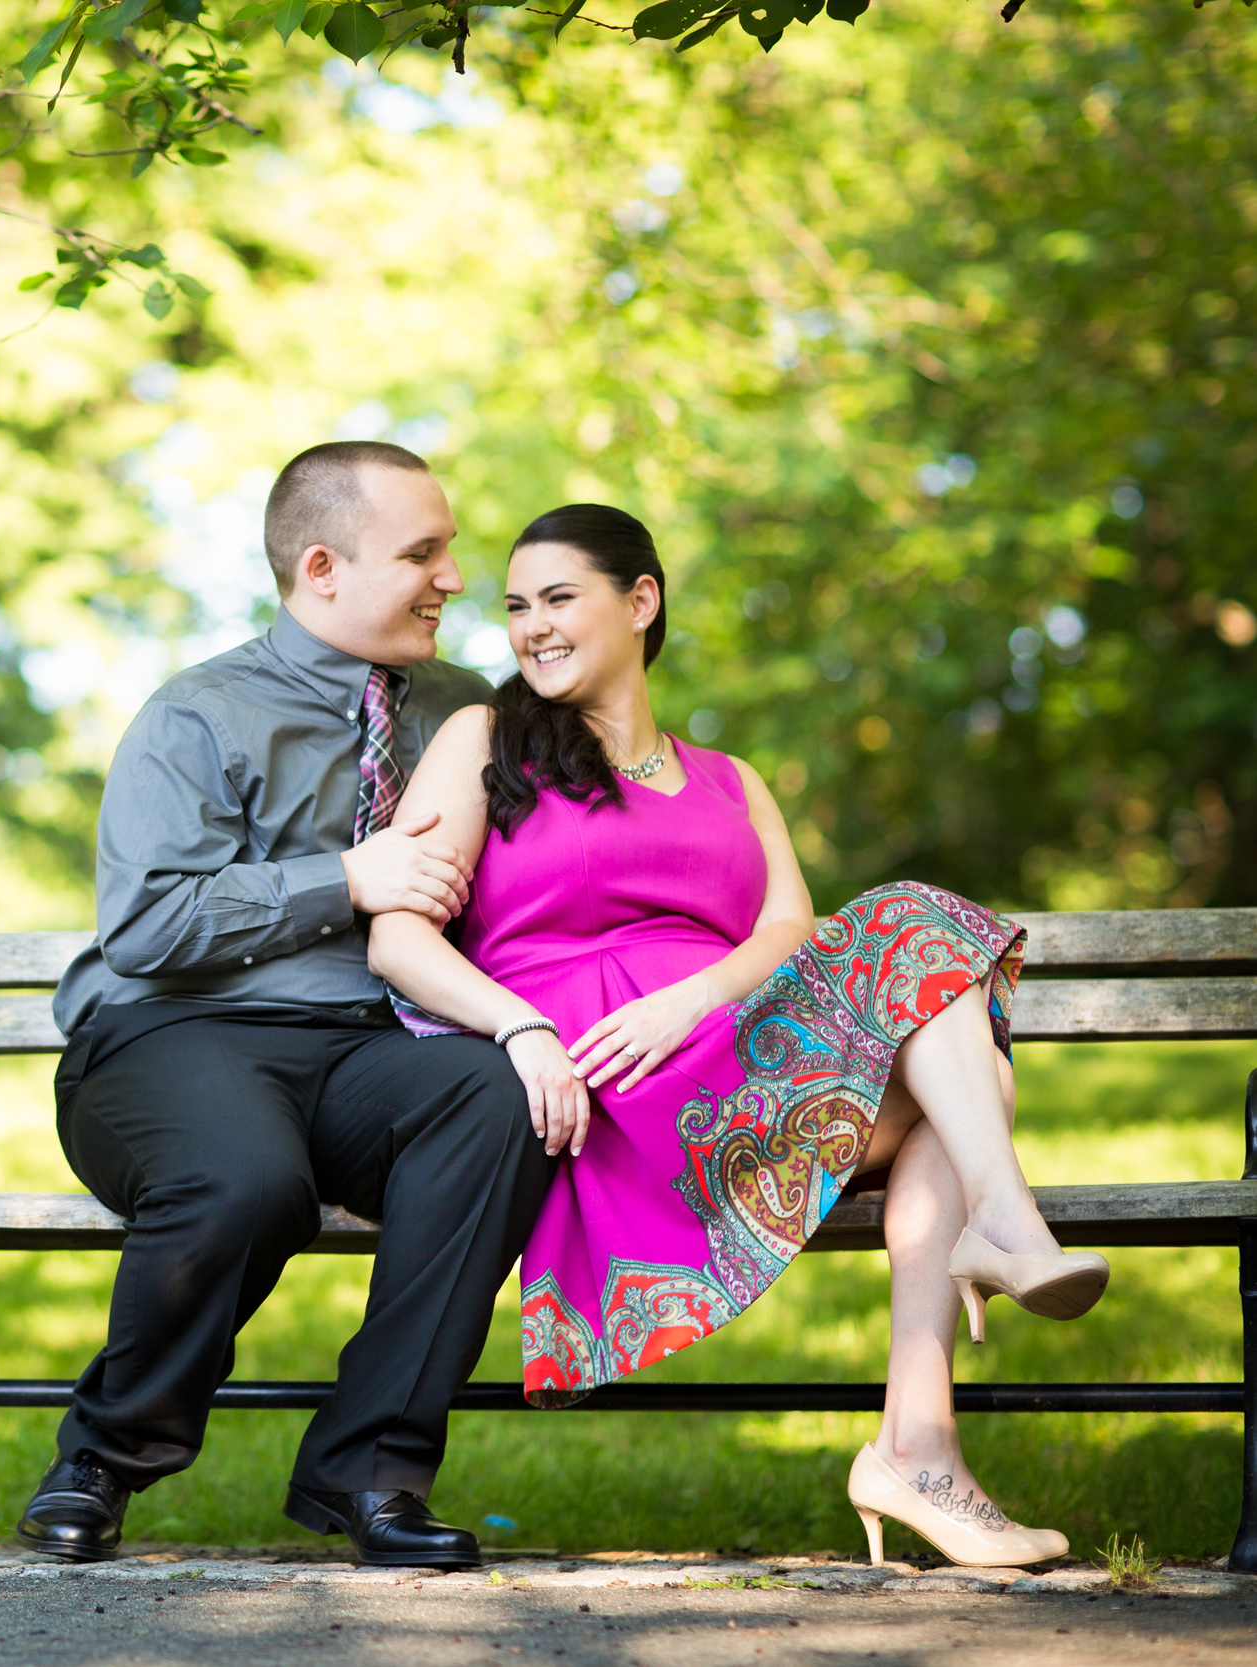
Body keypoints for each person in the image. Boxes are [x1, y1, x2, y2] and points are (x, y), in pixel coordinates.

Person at [366, 503, 1110, 1569]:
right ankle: (1000, 1240)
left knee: (961, 1079)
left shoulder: (729, 777)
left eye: (558, 597)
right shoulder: (486, 741)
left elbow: (788, 931)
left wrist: (694, 998)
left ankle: (921, 1445)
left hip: (733, 1065)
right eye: (516, 605)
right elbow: (397, 936)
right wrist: (521, 1025)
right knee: (930, 968)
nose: (531, 626)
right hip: (602, 1082)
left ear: (640, 600)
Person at [19, 440, 556, 1570]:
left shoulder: (470, 711)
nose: (453, 577)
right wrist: (347, 877)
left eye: (449, 548)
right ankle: (105, 1454)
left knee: (493, 1100)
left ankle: (373, 1470)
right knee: (244, 1179)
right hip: (170, 1038)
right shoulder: (198, 712)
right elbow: (149, 928)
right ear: (321, 566)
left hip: (369, 1047)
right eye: (422, 552)